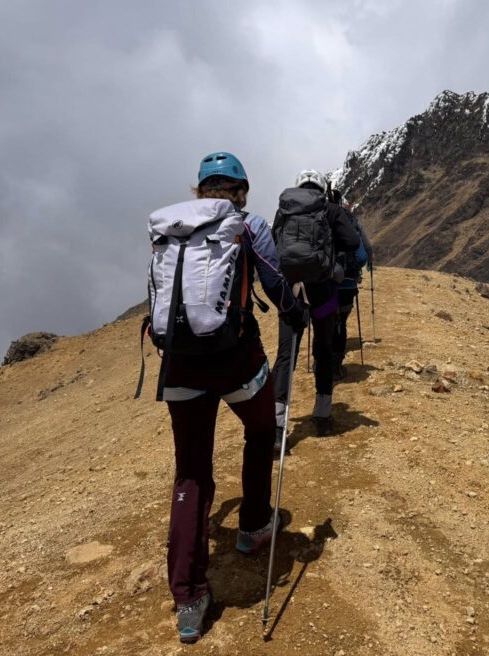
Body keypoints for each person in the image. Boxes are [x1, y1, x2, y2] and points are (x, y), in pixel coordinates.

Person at [152, 152, 307, 644]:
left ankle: (190, 598)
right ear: (241, 190)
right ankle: (255, 526)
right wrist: (297, 313)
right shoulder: (248, 224)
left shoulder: (169, 227)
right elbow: (275, 282)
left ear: (200, 191)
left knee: (192, 471)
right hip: (236, 358)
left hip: (179, 362)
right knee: (261, 430)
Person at [271, 170, 360, 446]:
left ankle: (277, 427)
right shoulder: (331, 209)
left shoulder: (284, 210)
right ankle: (322, 416)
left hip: (291, 295)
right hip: (324, 295)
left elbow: (275, 244)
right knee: (323, 349)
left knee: (287, 355)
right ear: (323, 188)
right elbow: (354, 243)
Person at [329, 188, 373, 380]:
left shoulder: (319, 219)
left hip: (325, 287)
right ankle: (337, 366)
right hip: (347, 285)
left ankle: (320, 362)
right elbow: (364, 253)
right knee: (341, 323)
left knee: (324, 321)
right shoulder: (352, 222)